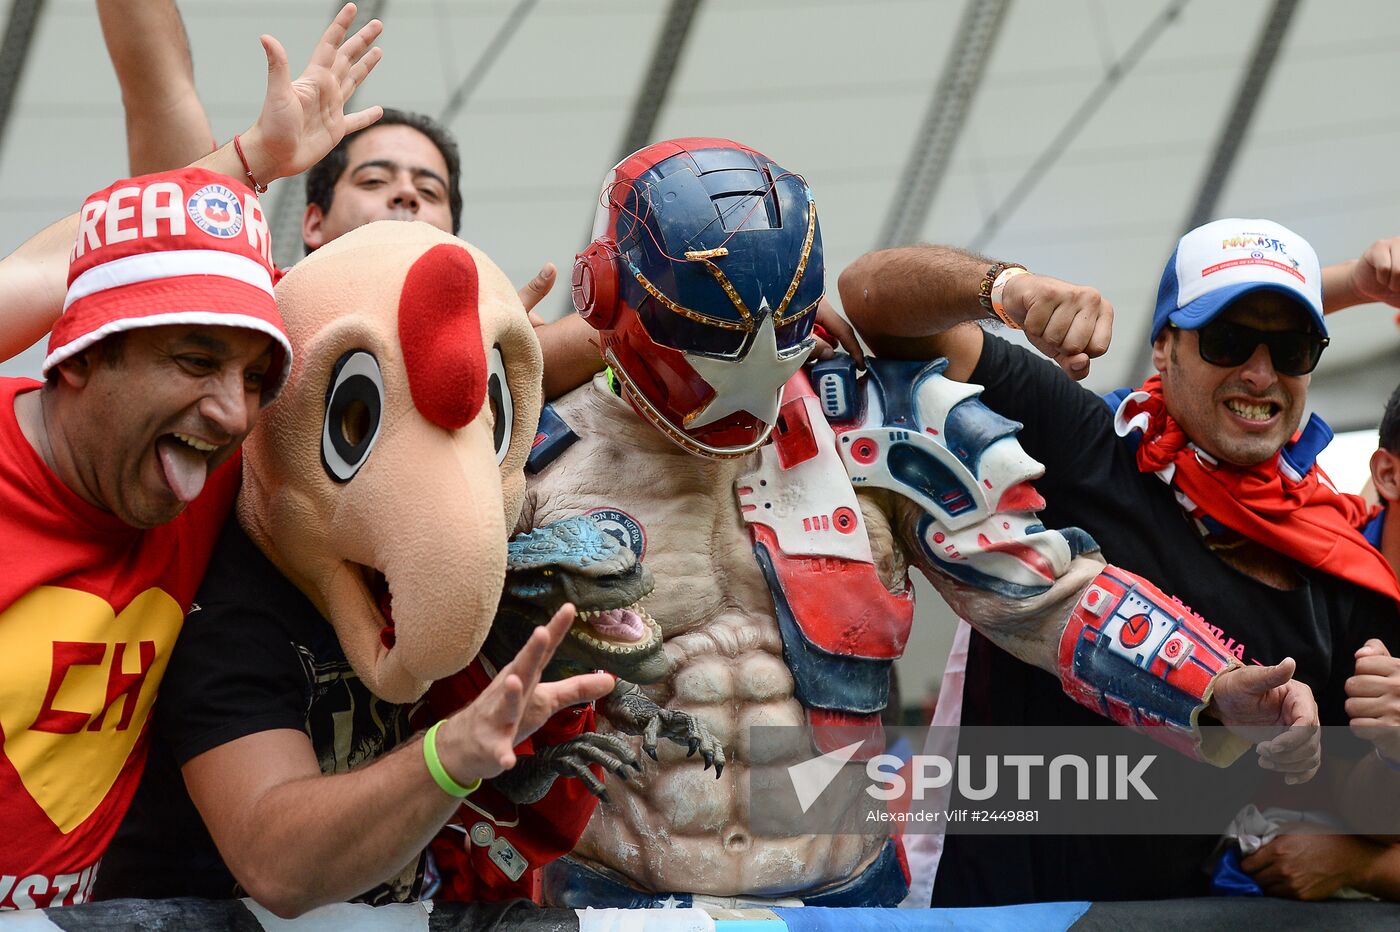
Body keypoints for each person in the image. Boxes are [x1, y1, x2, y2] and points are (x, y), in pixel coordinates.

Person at [509, 143, 1317, 909]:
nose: (744, 391)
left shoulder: (871, 423)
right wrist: (503, 373)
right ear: (610, 299)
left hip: (848, 899)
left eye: (780, 340)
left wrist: (1210, 691)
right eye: (711, 342)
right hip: (614, 901)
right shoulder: (531, 453)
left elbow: (1048, 593)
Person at [838, 218, 1400, 905]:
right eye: (1226, 341)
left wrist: (1392, 753)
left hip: (1193, 921)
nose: (1260, 372)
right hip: (1005, 912)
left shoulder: (1337, 558)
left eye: (1292, 348)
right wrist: (1008, 289)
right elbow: (871, 303)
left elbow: (1370, 808)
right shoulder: (1087, 448)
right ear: (1164, 349)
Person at [0, 7, 385, 908]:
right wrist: (245, 158)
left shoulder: (207, 475)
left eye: (257, 376)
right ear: (81, 355)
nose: (232, 412)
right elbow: (113, 236)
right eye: (196, 362)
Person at [92, 0, 864, 401]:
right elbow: (160, 94)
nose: (405, 191)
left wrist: (765, 312)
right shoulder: (244, 302)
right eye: (375, 179)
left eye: (429, 191)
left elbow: (637, 324)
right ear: (313, 225)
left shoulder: (511, 347)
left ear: (456, 238)